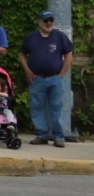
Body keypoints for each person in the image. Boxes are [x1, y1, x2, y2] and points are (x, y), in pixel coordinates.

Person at [20, 10, 73, 147]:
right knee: (36, 107)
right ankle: (41, 135)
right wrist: (27, 70)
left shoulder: (60, 36)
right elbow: (21, 54)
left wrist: (62, 74)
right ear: (39, 22)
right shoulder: (31, 37)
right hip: (36, 78)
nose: (49, 23)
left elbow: (69, 55)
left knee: (56, 108)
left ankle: (58, 137)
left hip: (55, 78)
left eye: (51, 20)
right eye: (45, 20)